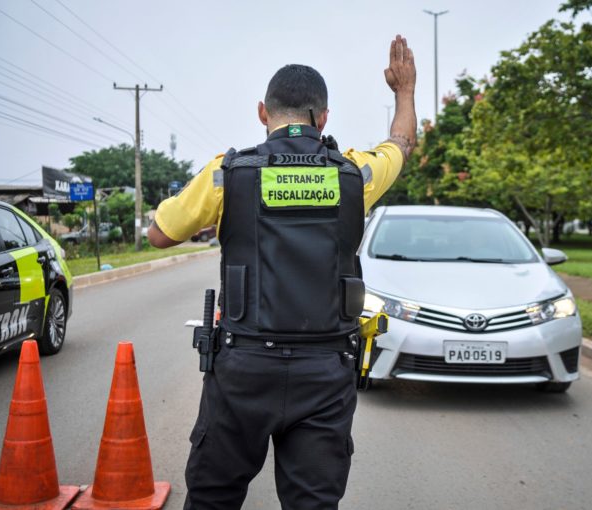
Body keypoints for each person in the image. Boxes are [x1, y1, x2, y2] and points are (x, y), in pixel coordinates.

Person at [148, 35, 416, 510]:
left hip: (243, 368)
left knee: (213, 497)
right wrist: (405, 92)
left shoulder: (225, 175)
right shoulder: (356, 175)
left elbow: (159, 234)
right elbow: (401, 144)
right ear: (324, 117)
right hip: (326, 371)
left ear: (262, 112)